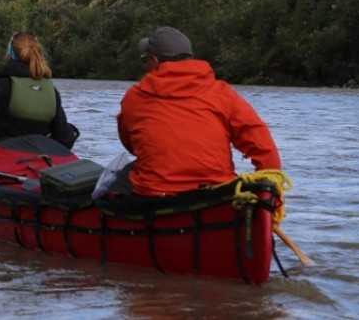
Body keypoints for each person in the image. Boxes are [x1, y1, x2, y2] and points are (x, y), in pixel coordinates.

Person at [111, 26, 282, 197]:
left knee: (116, 181)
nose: (145, 64)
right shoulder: (222, 93)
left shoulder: (134, 97)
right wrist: (268, 191)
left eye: (144, 59)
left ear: (154, 61)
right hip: (217, 193)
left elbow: (132, 145)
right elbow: (261, 143)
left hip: (156, 195)